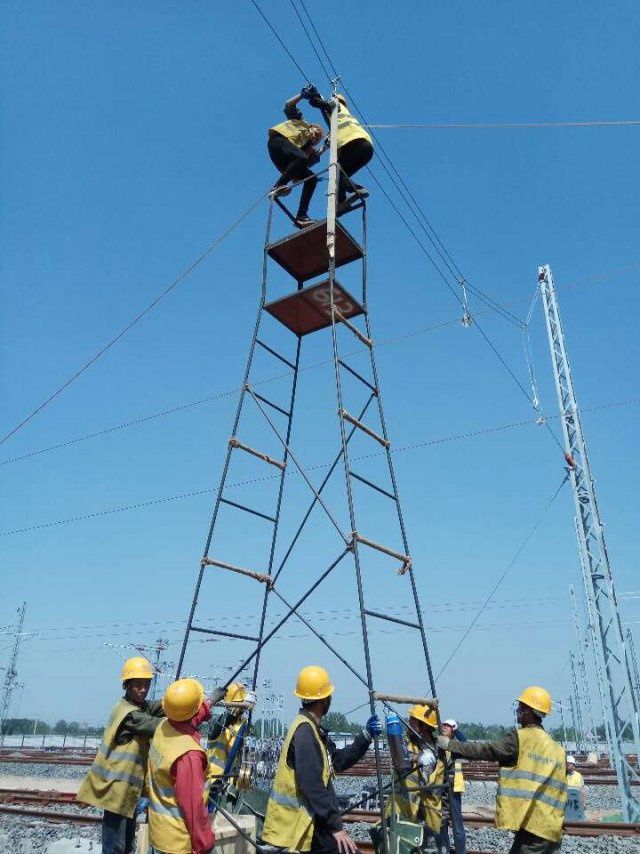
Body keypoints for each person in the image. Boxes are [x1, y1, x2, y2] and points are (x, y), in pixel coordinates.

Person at [262, 665, 382, 854]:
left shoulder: (315, 731)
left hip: (313, 822)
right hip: (302, 825)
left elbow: (338, 761)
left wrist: (365, 736)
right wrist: (336, 827)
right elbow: (312, 784)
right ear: (323, 699)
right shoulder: (305, 732)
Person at [437, 687, 567, 854]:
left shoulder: (520, 738)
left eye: (520, 707)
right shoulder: (556, 749)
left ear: (528, 711)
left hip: (534, 826)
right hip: (552, 825)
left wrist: (450, 745)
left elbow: (486, 750)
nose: (518, 711)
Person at [77, 656, 164, 854]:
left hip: (128, 793)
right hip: (116, 791)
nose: (143, 689)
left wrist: (194, 699)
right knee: (115, 847)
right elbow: (155, 725)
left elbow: (162, 705)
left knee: (126, 845)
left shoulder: (139, 707)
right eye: (138, 685)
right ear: (126, 686)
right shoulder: (129, 715)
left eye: (147, 684)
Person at [147, 678, 216, 854]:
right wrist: (204, 844)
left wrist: (209, 703)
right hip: (178, 841)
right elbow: (193, 807)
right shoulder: (189, 754)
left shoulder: (164, 727)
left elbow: (188, 718)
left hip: (159, 833)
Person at [387, 704, 444, 852]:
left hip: (429, 813)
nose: (409, 722)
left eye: (412, 720)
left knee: (431, 849)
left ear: (423, 726)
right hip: (405, 810)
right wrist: (418, 758)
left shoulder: (439, 748)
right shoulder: (405, 741)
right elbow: (399, 756)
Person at [306, 88, 374, 208]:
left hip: (354, 144)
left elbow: (324, 105)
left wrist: (314, 97)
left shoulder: (337, 108)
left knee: (337, 171)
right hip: (366, 148)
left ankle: (356, 189)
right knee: (339, 175)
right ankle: (341, 203)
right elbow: (328, 121)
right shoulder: (342, 118)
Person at [268, 91, 325, 229]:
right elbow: (289, 105)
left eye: (317, 138)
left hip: (286, 159)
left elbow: (305, 164)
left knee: (311, 178)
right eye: (316, 133)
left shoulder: (307, 150)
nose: (315, 137)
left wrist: (325, 147)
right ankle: (278, 186)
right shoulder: (301, 123)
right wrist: (302, 95)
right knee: (302, 157)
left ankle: (301, 216)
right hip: (278, 142)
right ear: (311, 127)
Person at [207, 682, 255, 799]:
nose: (242, 709)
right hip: (213, 781)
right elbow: (226, 718)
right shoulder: (217, 723)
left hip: (230, 784)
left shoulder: (242, 724)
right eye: (240, 704)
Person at [438, 719, 467, 854]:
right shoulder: (438, 744)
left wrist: (457, 731)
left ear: (453, 729)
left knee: (457, 825)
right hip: (440, 788)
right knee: (442, 823)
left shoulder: (456, 746)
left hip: (454, 788)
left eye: (448, 726)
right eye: (443, 725)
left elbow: (466, 745)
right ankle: (445, 850)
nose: (444, 727)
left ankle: (461, 851)